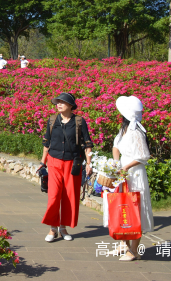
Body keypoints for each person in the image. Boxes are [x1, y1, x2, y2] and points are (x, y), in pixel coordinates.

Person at [105, 95, 154, 261]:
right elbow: (115, 146)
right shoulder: (124, 129)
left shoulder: (137, 132)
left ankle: (134, 250)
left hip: (135, 173)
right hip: (123, 171)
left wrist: (125, 166)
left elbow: (143, 156)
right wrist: (116, 163)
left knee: (135, 207)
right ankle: (124, 245)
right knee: (123, 205)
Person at [41, 92, 94, 242]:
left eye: (62, 102)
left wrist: (89, 163)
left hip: (73, 163)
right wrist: (42, 162)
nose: (58, 104)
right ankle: (52, 228)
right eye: (57, 102)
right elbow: (46, 143)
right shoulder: (52, 120)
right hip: (54, 161)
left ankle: (63, 228)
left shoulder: (79, 121)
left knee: (70, 196)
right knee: (54, 196)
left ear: (70, 105)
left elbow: (88, 144)